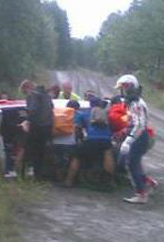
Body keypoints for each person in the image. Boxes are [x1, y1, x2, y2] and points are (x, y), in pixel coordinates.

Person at [115, 74, 154, 204]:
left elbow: (139, 124)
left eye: (125, 87)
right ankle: (148, 182)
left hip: (139, 136)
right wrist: (125, 131)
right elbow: (133, 122)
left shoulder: (136, 103)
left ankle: (141, 194)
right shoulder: (133, 102)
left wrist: (128, 140)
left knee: (131, 163)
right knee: (133, 162)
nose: (123, 90)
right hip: (138, 135)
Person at [65, 95, 115, 187]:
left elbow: (77, 128)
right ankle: (110, 181)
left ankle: (69, 181)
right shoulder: (106, 113)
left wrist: (78, 139)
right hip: (106, 140)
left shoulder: (84, 113)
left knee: (77, 157)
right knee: (108, 156)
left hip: (91, 139)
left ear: (90, 104)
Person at [19, 79, 54, 179]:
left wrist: (27, 121)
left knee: (29, 151)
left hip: (36, 127)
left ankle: (23, 174)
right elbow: (52, 107)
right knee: (42, 153)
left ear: (28, 88)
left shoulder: (34, 95)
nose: (26, 94)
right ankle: (39, 175)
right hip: (48, 127)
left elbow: (32, 110)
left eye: (24, 92)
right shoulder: (46, 95)